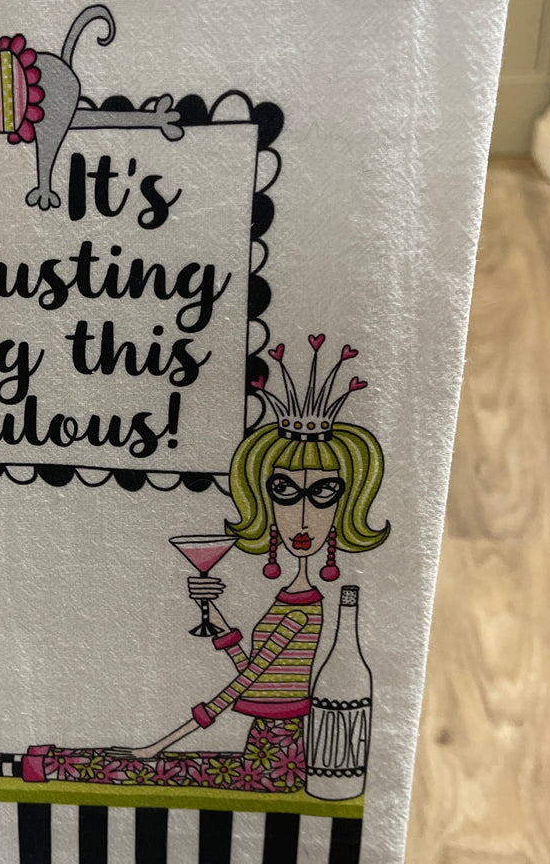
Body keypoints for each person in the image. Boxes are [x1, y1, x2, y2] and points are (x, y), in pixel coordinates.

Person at [120, 335, 389, 791]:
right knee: (157, 773)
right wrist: (212, 612)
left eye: (323, 494)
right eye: (284, 491)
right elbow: (253, 668)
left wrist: (162, 743)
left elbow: (245, 682)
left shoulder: (304, 609)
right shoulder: (290, 599)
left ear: (345, 506)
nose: (301, 516)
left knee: (159, 773)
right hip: (264, 742)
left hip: (277, 757)